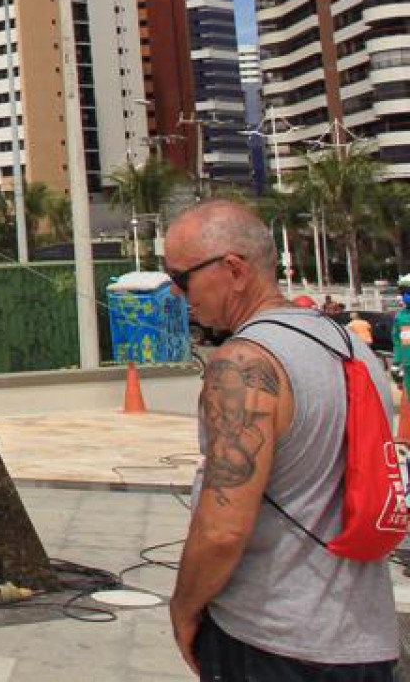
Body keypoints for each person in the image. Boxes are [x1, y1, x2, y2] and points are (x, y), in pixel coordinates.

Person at [164, 199, 398, 679]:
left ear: (234, 269)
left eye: (182, 277)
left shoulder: (245, 363)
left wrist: (184, 608)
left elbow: (222, 528)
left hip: (272, 640)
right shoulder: (351, 347)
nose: (177, 292)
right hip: (365, 638)